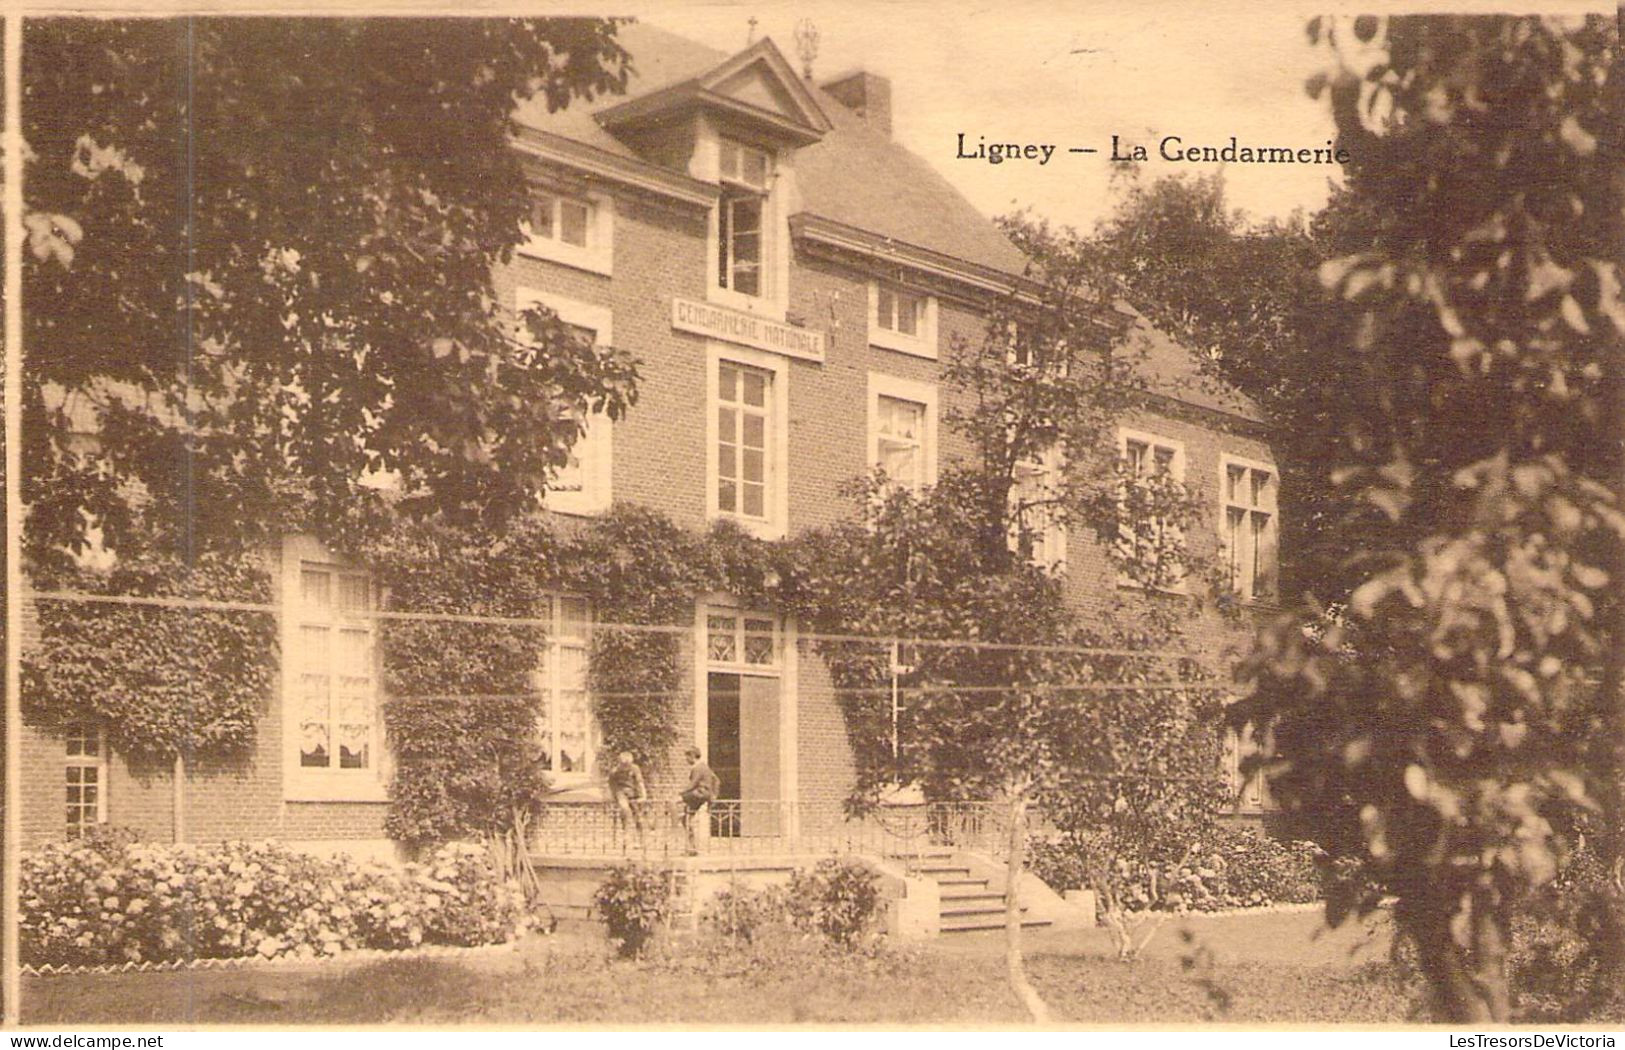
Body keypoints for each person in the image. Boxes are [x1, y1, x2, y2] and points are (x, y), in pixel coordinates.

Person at [680, 746, 721, 855]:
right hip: (704, 795)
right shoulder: (705, 767)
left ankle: (675, 832)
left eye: (687, 757)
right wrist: (713, 796)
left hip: (699, 793)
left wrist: (679, 794)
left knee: (674, 803)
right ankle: (692, 848)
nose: (686, 760)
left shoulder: (697, 768)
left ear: (692, 756)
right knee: (686, 819)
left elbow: (692, 784)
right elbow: (717, 780)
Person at [607, 751, 646, 843]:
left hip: (633, 793)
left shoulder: (635, 769)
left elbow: (640, 782)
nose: (625, 768)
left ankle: (640, 838)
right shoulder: (615, 771)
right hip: (621, 792)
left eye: (627, 766)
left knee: (638, 816)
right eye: (623, 765)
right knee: (624, 809)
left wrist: (643, 795)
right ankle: (626, 833)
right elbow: (611, 784)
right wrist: (612, 795)